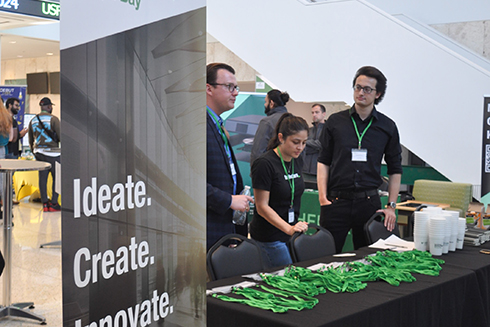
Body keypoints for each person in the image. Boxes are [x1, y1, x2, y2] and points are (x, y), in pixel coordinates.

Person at [317, 66, 402, 253]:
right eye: (357, 87)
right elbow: (323, 160)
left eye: (367, 89)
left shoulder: (387, 127)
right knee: (327, 257)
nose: (360, 93)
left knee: (367, 259)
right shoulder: (335, 122)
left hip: (369, 203)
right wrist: (322, 197)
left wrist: (391, 206)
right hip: (336, 201)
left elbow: (395, 169)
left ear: (378, 94)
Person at [250, 113, 309, 268]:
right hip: (269, 237)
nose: (300, 148)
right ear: (281, 137)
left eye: (304, 143)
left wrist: (292, 229)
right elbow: (262, 207)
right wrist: (288, 228)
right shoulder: (264, 164)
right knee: (286, 282)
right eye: (296, 142)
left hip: (290, 234)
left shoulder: (296, 160)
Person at [206, 63, 253, 251]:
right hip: (207, 228)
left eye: (236, 88)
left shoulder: (217, 124)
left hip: (225, 225)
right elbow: (188, 182)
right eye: (229, 87)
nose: (235, 93)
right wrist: (229, 200)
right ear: (208, 88)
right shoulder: (197, 126)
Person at [28, 97, 61, 212]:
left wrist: (35, 151)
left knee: (42, 178)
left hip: (39, 153)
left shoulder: (33, 120)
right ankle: (54, 203)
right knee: (57, 178)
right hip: (53, 154)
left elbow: (30, 139)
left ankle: (45, 204)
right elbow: (61, 137)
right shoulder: (54, 119)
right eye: (50, 106)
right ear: (48, 107)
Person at [250, 89, 289, 165]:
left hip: (270, 170)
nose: (265, 105)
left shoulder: (267, 122)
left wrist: (255, 173)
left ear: (271, 103)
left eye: (266, 102)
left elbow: (258, 152)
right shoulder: (294, 120)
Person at [303, 103, 327, 175]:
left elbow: (321, 145)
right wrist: (316, 147)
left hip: (321, 170)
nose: (314, 115)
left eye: (317, 112)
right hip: (305, 169)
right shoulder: (309, 130)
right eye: (312, 112)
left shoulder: (328, 130)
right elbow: (303, 148)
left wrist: (305, 141)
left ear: (324, 114)